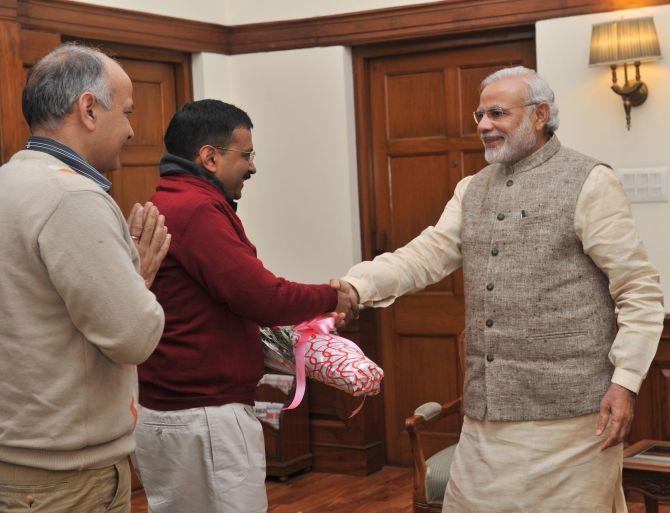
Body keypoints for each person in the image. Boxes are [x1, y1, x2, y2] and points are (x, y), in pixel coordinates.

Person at [335, 66, 664, 513]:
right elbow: (425, 255)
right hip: (487, 418)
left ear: (540, 114)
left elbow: (639, 291)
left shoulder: (589, 180)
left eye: (497, 113)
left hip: (573, 418)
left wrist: (625, 383)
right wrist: (356, 286)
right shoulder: (470, 189)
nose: (484, 125)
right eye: (479, 114)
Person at [133, 99, 353, 513]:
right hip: (203, 415)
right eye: (246, 155)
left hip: (175, 410)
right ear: (210, 157)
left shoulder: (173, 200)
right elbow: (260, 296)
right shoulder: (196, 209)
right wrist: (332, 295)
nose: (253, 167)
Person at [0, 43, 169, 513]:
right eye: (128, 113)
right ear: (89, 109)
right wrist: (139, 275)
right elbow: (132, 337)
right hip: (63, 480)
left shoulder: (8, 182)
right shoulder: (72, 196)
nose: (132, 131)